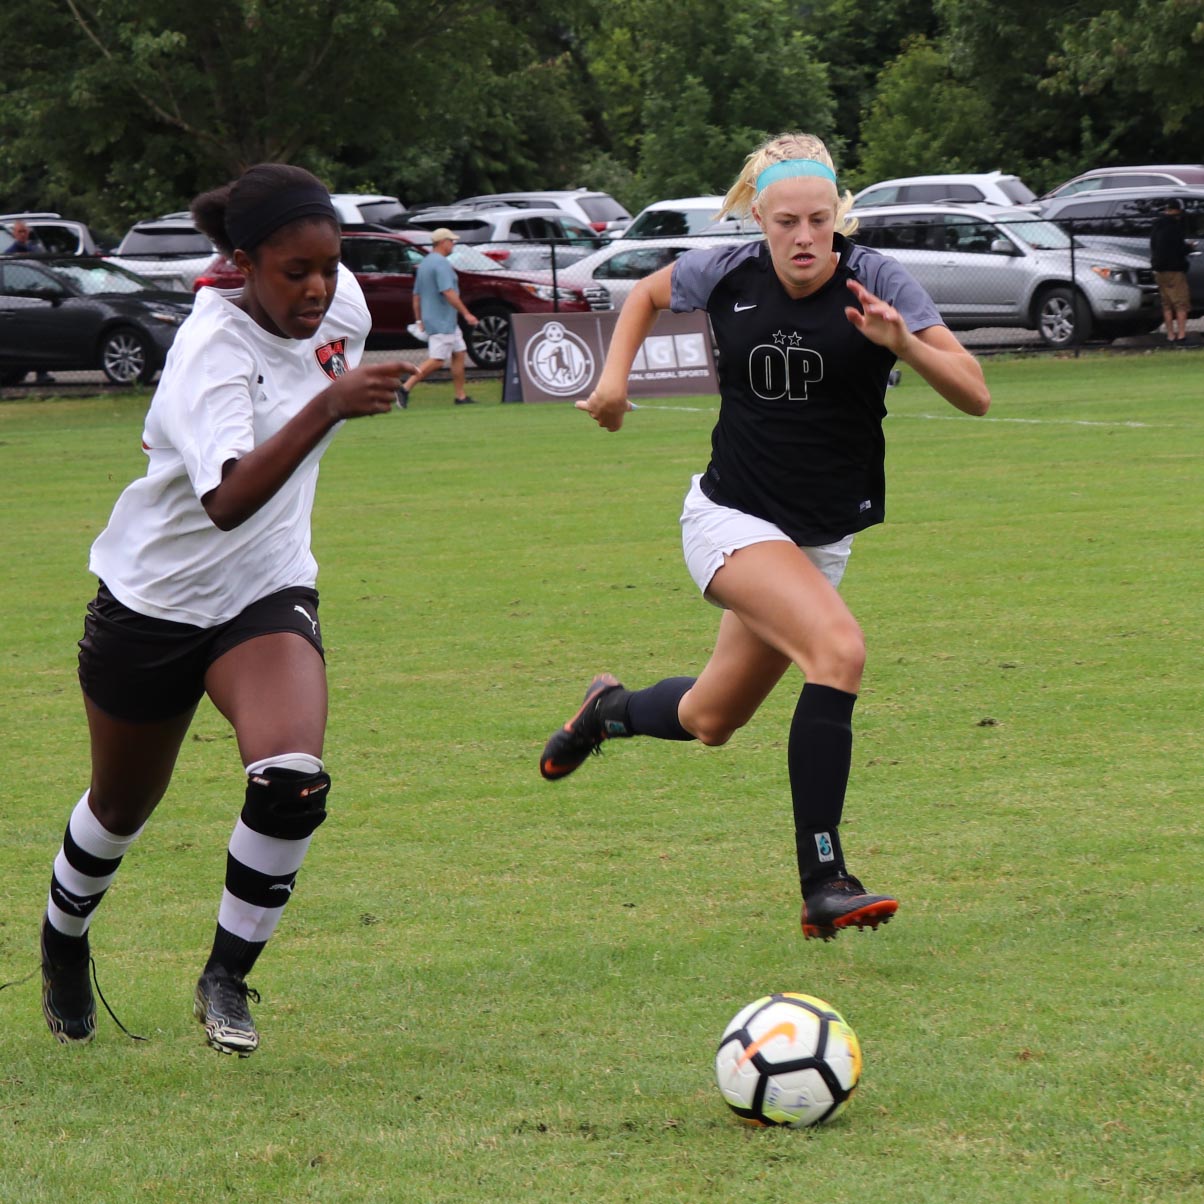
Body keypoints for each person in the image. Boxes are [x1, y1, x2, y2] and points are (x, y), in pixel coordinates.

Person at [538, 132, 990, 941]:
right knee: (839, 652)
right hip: (730, 519)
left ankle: (606, 711)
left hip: (817, 541)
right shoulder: (726, 270)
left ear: (839, 215)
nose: (805, 237)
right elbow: (642, 295)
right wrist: (611, 383)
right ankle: (825, 880)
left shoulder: (876, 278)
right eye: (787, 221)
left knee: (713, 718)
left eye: (820, 219)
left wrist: (904, 345)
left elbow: (976, 394)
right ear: (759, 216)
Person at [36, 163, 416, 1055]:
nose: (320, 287)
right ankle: (63, 938)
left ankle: (225, 979)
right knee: (121, 807)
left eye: (330, 265)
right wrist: (328, 404)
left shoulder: (338, 300)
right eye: (296, 271)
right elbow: (228, 499)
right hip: (152, 607)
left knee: (291, 778)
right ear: (242, 263)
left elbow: (257, 525)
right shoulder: (210, 353)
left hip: (264, 591)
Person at [397, 227, 480, 407]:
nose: (453, 244)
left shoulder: (425, 263)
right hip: (442, 320)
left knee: (459, 353)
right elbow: (448, 292)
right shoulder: (441, 264)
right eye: (452, 241)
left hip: (441, 320)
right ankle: (405, 387)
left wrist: (419, 320)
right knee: (437, 360)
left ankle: (460, 396)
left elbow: (416, 296)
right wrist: (466, 313)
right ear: (443, 242)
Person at [4, 222, 54, 382]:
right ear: (14, 234)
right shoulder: (9, 254)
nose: (23, 234)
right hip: (16, 297)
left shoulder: (34, 251)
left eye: (25, 231)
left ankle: (41, 373)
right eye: (19, 231)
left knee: (39, 337)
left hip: (36, 297)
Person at [1149, 198, 1193, 344]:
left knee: (1166, 304)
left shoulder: (1157, 225)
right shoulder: (1174, 227)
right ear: (1177, 210)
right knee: (1181, 303)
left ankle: (1170, 335)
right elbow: (1178, 249)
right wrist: (1189, 248)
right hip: (1174, 270)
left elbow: (1154, 246)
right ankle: (1181, 336)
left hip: (1159, 270)